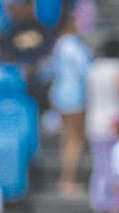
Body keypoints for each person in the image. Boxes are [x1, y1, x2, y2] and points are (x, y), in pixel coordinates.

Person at [49, 14, 92, 197]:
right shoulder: (72, 45)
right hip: (73, 95)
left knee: (67, 138)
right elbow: (85, 70)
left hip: (60, 92)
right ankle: (68, 180)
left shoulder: (59, 44)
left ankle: (64, 178)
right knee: (75, 139)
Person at [87, 35, 119, 213]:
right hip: (112, 121)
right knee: (112, 167)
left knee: (100, 165)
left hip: (95, 118)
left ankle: (99, 202)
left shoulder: (93, 68)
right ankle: (109, 205)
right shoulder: (115, 68)